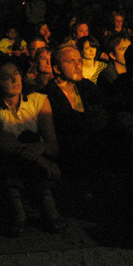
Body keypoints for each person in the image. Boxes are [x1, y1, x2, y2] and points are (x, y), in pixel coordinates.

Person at [0, 60, 64, 235]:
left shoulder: (38, 100)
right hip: (12, 164)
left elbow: (52, 145)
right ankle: (17, 207)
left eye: (16, 74)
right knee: (9, 147)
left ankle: (46, 203)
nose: (14, 80)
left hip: (36, 165)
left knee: (29, 137)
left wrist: (38, 151)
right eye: (6, 77)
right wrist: (37, 157)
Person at [43, 46, 110, 178]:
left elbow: (102, 115)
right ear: (56, 69)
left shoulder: (87, 87)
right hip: (68, 158)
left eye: (79, 61)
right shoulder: (47, 95)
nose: (78, 66)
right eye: (70, 62)